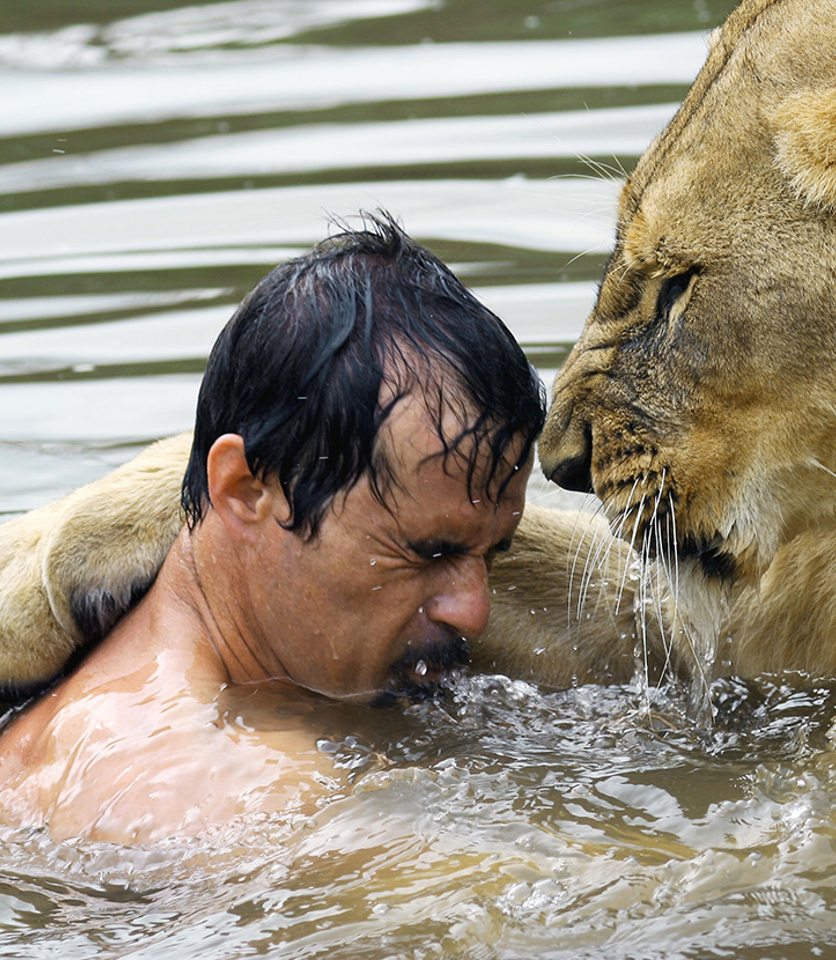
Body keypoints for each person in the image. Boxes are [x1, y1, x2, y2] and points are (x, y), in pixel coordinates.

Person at [0, 214, 546, 843]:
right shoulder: (212, 784)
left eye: (492, 553)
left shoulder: (109, 728)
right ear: (243, 490)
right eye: (430, 552)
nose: (474, 612)